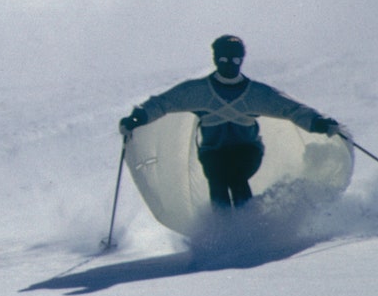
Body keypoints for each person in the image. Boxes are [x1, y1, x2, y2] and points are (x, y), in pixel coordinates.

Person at [119, 34, 343, 209]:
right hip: (212, 152)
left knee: (234, 177)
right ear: (216, 59)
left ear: (242, 60)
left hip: (247, 152)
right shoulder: (198, 92)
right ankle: (225, 230)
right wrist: (137, 119)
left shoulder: (255, 94)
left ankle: (246, 226)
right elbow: (163, 103)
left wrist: (319, 123)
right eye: (224, 59)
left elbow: (290, 109)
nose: (229, 64)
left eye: (235, 59)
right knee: (218, 179)